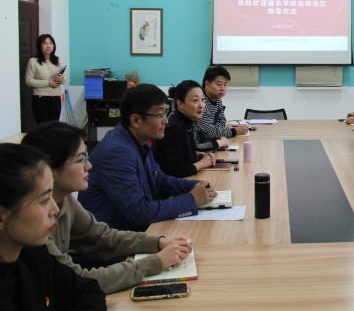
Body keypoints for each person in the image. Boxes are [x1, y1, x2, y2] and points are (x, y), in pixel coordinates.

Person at [21, 122, 194, 294]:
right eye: (80, 160)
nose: (89, 166)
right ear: (48, 169)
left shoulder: (64, 199)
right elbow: (77, 281)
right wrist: (155, 262)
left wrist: (157, 242)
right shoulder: (33, 221)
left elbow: (101, 237)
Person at [79, 84, 216, 231]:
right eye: (159, 115)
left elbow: (159, 180)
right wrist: (192, 199)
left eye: (166, 113)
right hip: (114, 238)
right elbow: (139, 212)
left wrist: (195, 185)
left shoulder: (138, 140)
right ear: (136, 120)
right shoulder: (116, 152)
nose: (166, 121)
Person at [0, 143, 106, 310]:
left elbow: (87, 290)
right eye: (44, 201)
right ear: (1, 217)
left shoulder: (34, 254)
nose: (55, 210)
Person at [153, 80, 216, 178]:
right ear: (180, 104)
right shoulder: (173, 128)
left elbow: (182, 155)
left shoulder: (188, 122)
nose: (201, 105)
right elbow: (176, 171)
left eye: (203, 99)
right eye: (195, 100)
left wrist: (199, 155)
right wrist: (203, 163)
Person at [195, 65, 248, 151]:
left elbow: (222, 123)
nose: (223, 88)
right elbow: (210, 132)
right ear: (207, 84)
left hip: (213, 144)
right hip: (200, 147)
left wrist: (220, 132)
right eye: (219, 84)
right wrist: (235, 131)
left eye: (225, 84)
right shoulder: (201, 102)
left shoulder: (218, 100)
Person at [25, 34, 66, 124]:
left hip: (55, 98)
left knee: (54, 127)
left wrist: (61, 78)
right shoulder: (33, 61)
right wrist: (48, 83)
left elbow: (64, 80)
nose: (48, 46)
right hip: (40, 98)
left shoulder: (59, 60)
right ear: (39, 45)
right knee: (43, 127)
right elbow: (28, 81)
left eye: (51, 43)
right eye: (45, 43)